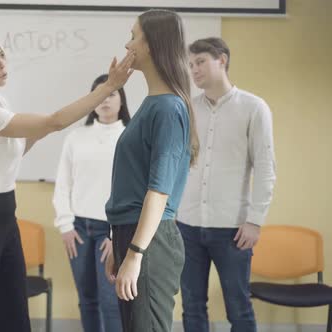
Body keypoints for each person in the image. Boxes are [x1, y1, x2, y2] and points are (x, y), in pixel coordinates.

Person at [0, 32, 134, 332]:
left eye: (1, 55)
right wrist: (109, 87)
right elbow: (53, 123)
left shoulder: (2, 105)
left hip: (5, 215)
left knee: (13, 309)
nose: (1, 64)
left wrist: (49, 125)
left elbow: (23, 146)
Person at [104, 9, 200, 332]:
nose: (128, 43)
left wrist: (135, 252)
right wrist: (120, 243)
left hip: (150, 241)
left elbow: (158, 192)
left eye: (134, 36)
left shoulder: (169, 108)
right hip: (132, 234)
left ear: (151, 45)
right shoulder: (152, 103)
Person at [177, 37, 276, 332]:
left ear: (222, 60)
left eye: (201, 62)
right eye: (191, 64)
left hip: (233, 229)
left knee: (239, 307)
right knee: (192, 307)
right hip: (187, 225)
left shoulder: (254, 107)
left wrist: (255, 221)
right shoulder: (187, 108)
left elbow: (266, 167)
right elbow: (178, 165)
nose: (194, 70)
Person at [52, 73, 130, 332]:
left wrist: (116, 233)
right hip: (78, 229)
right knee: (87, 300)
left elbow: (132, 191)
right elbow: (63, 184)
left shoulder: (129, 136)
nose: (105, 100)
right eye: (99, 94)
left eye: (111, 94)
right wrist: (65, 225)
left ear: (122, 100)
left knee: (111, 301)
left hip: (111, 231)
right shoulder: (76, 137)